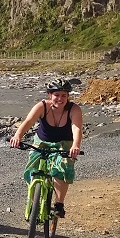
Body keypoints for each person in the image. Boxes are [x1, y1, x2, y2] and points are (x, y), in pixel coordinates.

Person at [8, 78, 83, 217]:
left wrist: (75, 146)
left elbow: (77, 129)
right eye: (56, 95)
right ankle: (35, 197)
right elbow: (28, 121)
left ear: (68, 97)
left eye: (64, 95)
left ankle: (59, 203)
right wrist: (17, 136)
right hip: (42, 141)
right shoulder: (42, 106)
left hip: (64, 143)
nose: (60, 99)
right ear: (50, 95)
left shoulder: (74, 109)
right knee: (32, 169)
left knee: (62, 169)